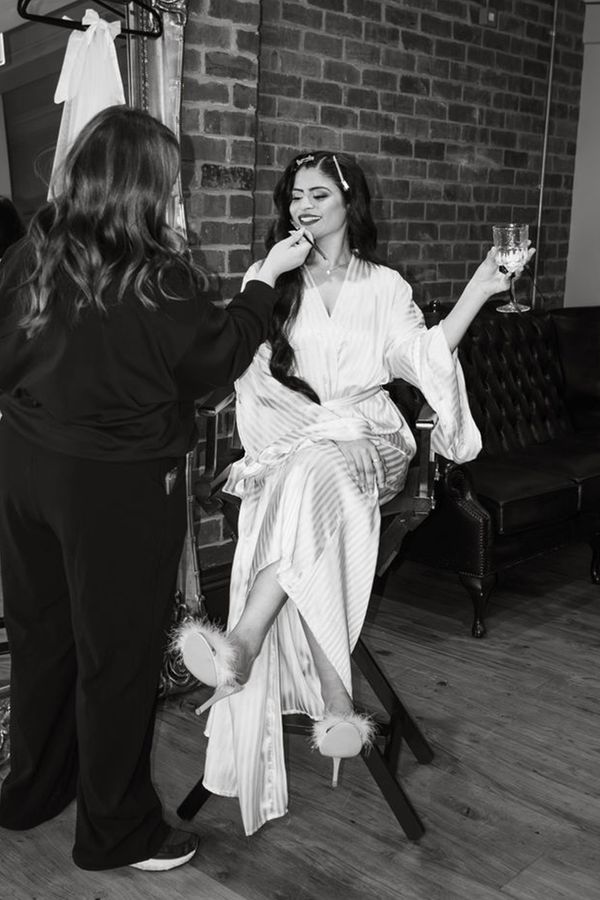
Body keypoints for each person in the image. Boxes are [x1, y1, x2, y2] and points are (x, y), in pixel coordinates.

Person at [174, 150, 535, 836]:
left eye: (318, 194)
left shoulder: (385, 286)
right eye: (294, 196)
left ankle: (242, 641)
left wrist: (479, 291)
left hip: (373, 441)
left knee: (313, 473)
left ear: (348, 202)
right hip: (302, 446)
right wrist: (319, 426)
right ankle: (338, 702)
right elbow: (249, 379)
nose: (303, 206)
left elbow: (421, 358)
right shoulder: (272, 279)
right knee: (312, 472)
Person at [0, 105, 312, 871]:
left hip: (24, 472)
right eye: (172, 185)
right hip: (115, 490)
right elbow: (215, 361)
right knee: (119, 659)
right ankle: (116, 832)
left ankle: (33, 790)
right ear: (144, 188)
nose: (180, 198)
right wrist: (261, 285)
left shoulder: (29, 256)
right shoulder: (156, 278)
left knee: (43, 640)